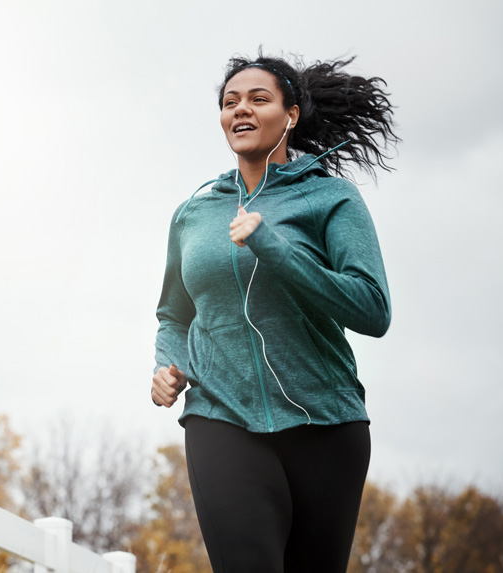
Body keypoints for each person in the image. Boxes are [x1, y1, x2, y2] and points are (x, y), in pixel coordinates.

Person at [151, 53, 398, 573]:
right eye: (229, 102)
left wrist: (275, 247)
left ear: (290, 115)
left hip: (326, 425)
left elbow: (373, 310)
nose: (240, 109)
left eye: (258, 99)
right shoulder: (194, 214)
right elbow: (174, 314)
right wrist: (166, 366)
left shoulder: (331, 198)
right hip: (221, 415)